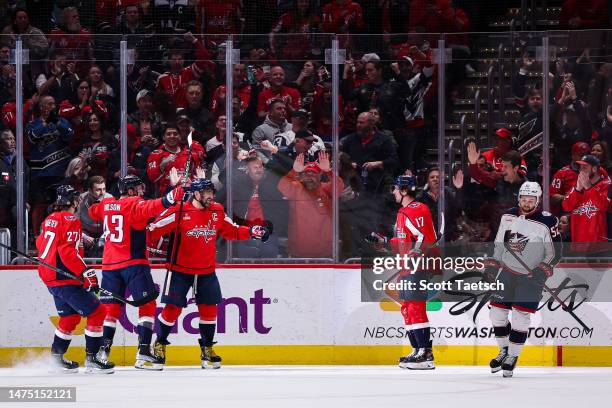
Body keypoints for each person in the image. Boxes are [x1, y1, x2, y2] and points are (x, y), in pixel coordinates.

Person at [148, 178, 269, 369]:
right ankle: (159, 344)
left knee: (209, 309)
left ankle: (206, 349)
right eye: (206, 193)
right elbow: (152, 229)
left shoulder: (217, 210)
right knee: (172, 309)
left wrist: (252, 231)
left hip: (206, 270)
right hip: (179, 270)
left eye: (212, 192)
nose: (211, 196)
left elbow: (232, 230)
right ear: (196, 194)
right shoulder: (179, 211)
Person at [88, 172, 184, 370]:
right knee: (147, 304)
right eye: (139, 188)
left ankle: (102, 354)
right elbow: (160, 204)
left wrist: (103, 203)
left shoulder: (106, 205)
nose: (143, 191)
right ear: (130, 190)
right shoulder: (135, 204)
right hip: (133, 263)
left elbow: (92, 211)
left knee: (111, 310)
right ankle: (143, 353)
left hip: (109, 266)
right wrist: (180, 188)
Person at [484, 181, 561, 377]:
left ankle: (512, 356)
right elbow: (500, 243)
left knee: (520, 317)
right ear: (519, 198)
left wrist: (543, 270)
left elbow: (556, 252)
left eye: (531, 199)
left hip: (530, 276)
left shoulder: (548, 221)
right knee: (496, 315)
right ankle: (504, 350)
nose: (527, 203)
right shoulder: (508, 216)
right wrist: (493, 265)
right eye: (524, 199)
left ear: (538, 200)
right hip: (508, 272)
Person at [36, 185, 114, 374]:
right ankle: (93, 359)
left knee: (70, 317)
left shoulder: (49, 219)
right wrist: (86, 272)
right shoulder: (71, 219)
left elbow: (41, 243)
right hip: (64, 277)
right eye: (76, 199)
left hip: (49, 276)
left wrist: (80, 238)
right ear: (72, 201)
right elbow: (68, 252)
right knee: (98, 312)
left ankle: (56, 359)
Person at [389, 175, 437, 370]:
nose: (393, 192)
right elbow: (404, 240)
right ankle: (417, 350)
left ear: (404, 190)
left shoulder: (417, 209)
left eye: (395, 188)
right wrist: (385, 242)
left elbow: (426, 236)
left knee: (416, 307)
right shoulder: (403, 212)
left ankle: (426, 354)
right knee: (408, 308)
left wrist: (416, 254)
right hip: (406, 267)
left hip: (418, 266)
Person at [562, 154, 611, 252]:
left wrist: (588, 187)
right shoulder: (577, 187)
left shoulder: (607, 186)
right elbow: (566, 207)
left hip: (599, 247)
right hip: (577, 245)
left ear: (594, 169)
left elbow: (605, 206)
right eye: (580, 168)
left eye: (584, 168)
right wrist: (578, 190)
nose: (581, 171)